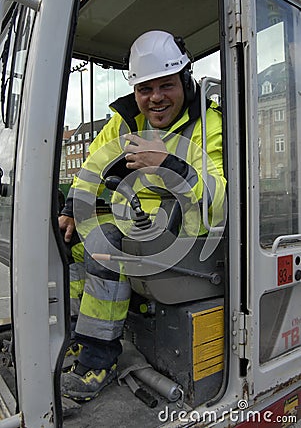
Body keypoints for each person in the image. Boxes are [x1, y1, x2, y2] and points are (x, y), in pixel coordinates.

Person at [59, 30, 226, 402]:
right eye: (144, 88)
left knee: (107, 238)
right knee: (69, 239)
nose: (155, 98)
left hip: (190, 228)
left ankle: (100, 356)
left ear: (184, 81)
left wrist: (168, 164)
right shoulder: (126, 121)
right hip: (140, 222)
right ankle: (78, 334)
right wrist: (70, 209)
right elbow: (92, 164)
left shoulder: (209, 124)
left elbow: (218, 198)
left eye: (165, 85)